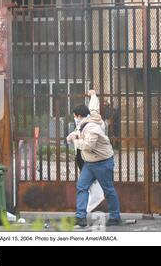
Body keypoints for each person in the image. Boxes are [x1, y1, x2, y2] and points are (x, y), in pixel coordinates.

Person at [67, 90, 122, 228]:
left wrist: (75, 141)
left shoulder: (92, 127)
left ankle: (115, 217)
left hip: (102, 163)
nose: (74, 118)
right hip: (90, 163)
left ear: (79, 116)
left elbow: (88, 145)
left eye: (75, 116)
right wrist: (93, 95)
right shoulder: (88, 119)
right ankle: (80, 217)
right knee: (82, 186)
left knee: (108, 189)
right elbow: (92, 108)